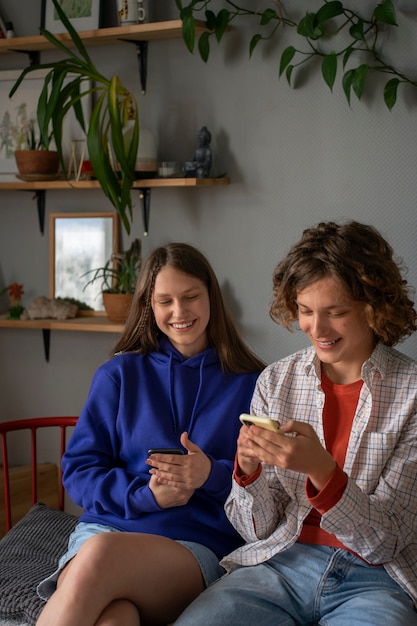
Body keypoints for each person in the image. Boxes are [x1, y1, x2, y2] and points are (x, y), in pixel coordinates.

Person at [174, 221, 417, 625]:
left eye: (335, 312)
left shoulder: (411, 394)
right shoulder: (276, 380)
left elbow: (386, 541)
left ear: (373, 306)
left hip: (377, 580)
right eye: (305, 311)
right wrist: (247, 473)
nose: (316, 330)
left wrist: (321, 469)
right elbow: (255, 531)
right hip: (281, 564)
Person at [35, 242, 265, 626]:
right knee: (116, 619)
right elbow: (78, 473)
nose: (179, 312)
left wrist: (210, 474)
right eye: (165, 301)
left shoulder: (254, 384)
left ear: (212, 296)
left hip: (193, 545)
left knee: (101, 555)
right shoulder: (118, 375)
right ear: (149, 306)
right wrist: (145, 496)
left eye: (191, 296)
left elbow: (269, 490)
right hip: (106, 527)